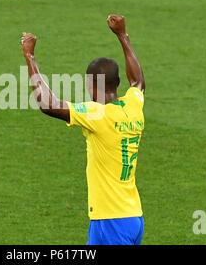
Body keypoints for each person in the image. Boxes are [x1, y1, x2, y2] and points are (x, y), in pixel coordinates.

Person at [20, 15, 146, 245]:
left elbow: (48, 104)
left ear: (90, 85)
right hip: (132, 216)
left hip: (111, 221)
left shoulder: (97, 115)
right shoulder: (133, 106)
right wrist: (122, 36)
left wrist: (30, 56)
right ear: (118, 83)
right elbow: (138, 82)